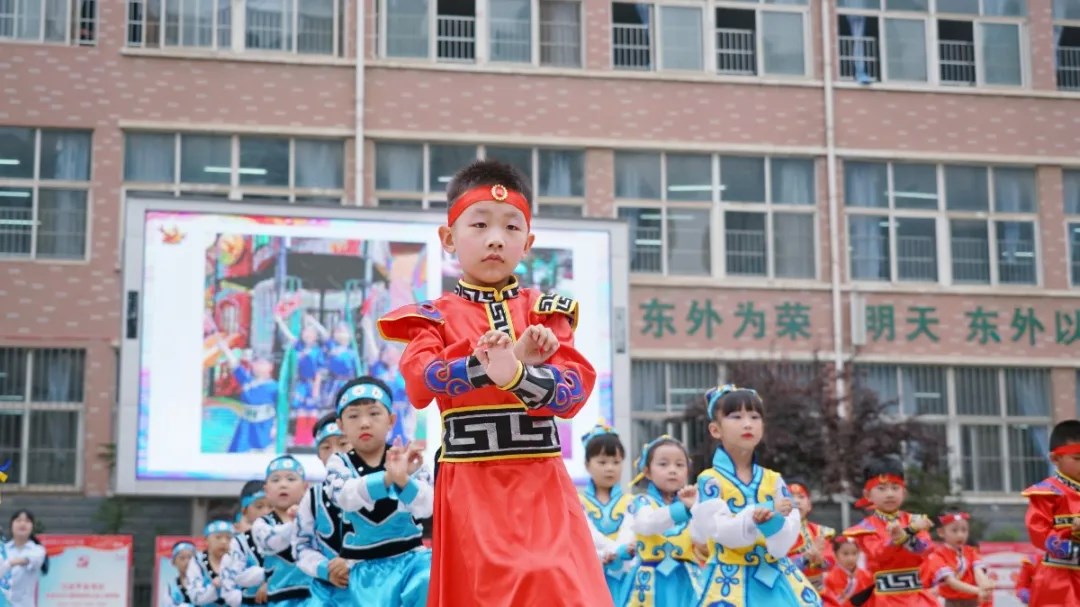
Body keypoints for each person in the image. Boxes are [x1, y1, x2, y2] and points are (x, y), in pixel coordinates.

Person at [376, 160, 608, 605]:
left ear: (528, 243)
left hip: (541, 476)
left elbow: (575, 390)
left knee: (555, 581)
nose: (495, 239)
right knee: (487, 592)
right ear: (448, 238)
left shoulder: (544, 311)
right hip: (472, 482)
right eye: (479, 225)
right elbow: (421, 384)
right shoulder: (432, 317)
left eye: (511, 228)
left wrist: (518, 373)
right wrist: (489, 365)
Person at [689, 385, 820, 606]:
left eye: (754, 416)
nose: (747, 423)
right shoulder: (710, 480)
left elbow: (788, 534)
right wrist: (762, 511)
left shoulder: (773, 479)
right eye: (736, 416)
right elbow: (720, 531)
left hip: (776, 579)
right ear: (715, 430)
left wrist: (770, 523)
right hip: (730, 580)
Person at [324, 377, 432, 607]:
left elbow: (428, 505)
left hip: (413, 564)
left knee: (428, 580)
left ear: (391, 420)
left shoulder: (407, 456)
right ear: (341, 425)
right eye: (353, 416)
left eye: (374, 413)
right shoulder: (338, 463)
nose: (364, 423)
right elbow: (344, 497)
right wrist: (387, 478)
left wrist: (404, 480)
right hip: (363, 569)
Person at [842, 457, 937, 607]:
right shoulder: (866, 528)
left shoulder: (916, 520)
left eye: (895, 488)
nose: (890, 494)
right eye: (881, 488)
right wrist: (905, 534)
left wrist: (905, 535)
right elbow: (879, 554)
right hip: (884, 599)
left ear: (903, 493)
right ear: (867, 495)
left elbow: (926, 549)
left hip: (917, 598)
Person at [622, 435, 700, 606]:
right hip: (650, 582)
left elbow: (702, 538)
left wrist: (697, 508)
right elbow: (647, 524)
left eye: (680, 465)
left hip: (685, 580)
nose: (673, 470)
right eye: (663, 464)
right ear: (647, 472)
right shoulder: (641, 501)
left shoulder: (693, 503)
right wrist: (684, 510)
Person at [296, 413, 353, 605]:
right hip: (326, 592)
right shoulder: (312, 497)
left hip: (373, 586)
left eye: (343, 443)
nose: (335, 453)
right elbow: (300, 545)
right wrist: (326, 569)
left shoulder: (378, 485)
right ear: (319, 455)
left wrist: (351, 562)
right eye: (326, 447)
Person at [1022, 419, 1080, 606]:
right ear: (1055, 458)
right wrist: (1071, 537)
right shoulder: (1047, 493)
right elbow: (1038, 532)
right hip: (1059, 577)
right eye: (1077, 459)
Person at [579, 423, 635, 606]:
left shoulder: (632, 502)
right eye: (602, 462)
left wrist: (617, 553)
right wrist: (605, 554)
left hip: (626, 577)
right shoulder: (578, 503)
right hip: (590, 575)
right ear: (587, 465)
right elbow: (584, 537)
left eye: (616, 462)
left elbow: (631, 533)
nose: (610, 468)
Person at [251, 456, 314, 606]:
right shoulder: (262, 524)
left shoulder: (317, 516)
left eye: (291, 479)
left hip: (315, 597)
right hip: (279, 599)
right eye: (275, 480)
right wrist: (300, 521)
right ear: (266, 490)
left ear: (305, 488)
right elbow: (273, 542)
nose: (283, 485)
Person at [924, 509, 994, 607]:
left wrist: (985, 586)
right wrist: (979, 590)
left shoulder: (971, 552)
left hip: (974, 602)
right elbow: (952, 582)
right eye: (954, 530)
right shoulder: (938, 555)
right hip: (952, 603)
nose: (960, 535)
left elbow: (978, 572)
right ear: (941, 532)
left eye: (964, 530)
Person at [222, 481, 270, 605]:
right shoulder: (239, 544)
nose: (266, 512)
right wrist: (268, 574)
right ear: (245, 511)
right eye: (259, 506)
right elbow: (237, 576)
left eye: (271, 506)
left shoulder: (288, 535)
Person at [787, 477, 837, 593]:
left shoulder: (821, 532)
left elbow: (832, 563)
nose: (797, 501)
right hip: (789, 593)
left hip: (819, 593)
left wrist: (821, 561)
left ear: (809, 505)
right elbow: (778, 567)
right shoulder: (774, 534)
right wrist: (806, 557)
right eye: (790, 497)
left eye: (801, 497)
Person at [4, 510, 47, 607]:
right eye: (18, 520)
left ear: (32, 526)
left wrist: (10, 563)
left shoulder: (38, 550)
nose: (22, 524)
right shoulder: (3, 549)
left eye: (27, 521)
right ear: (11, 525)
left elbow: (32, 560)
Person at [189, 519, 236, 606]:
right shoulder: (197, 561)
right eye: (218, 537)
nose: (224, 542)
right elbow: (195, 596)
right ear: (206, 540)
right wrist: (214, 588)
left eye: (229, 538)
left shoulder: (238, 560)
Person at [822, 536, 873, 607]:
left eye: (854, 553)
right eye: (845, 554)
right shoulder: (830, 578)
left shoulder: (867, 576)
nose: (850, 558)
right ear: (836, 555)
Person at [163, 541, 197, 607]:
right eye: (182, 558)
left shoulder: (206, 583)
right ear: (173, 562)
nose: (187, 562)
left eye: (190, 557)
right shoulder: (170, 588)